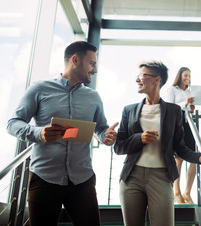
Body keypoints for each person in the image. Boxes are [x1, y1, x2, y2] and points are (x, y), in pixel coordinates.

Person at [6, 41, 118, 226]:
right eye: (92, 63)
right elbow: (12, 123)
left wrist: (106, 135)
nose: (95, 69)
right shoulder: (40, 89)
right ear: (75, 60)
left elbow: (100, 127)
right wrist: (39, 132)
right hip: (44, 178)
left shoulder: (94, 97)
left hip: (82, 179)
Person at [113, 61, 201, 226]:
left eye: (142, 75)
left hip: (161, 177)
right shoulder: (129, 110)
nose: (137, 80)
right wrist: (139, 138)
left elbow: (179, 147)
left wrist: (198, 157)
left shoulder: (174, 111)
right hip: (131, 178)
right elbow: (118, 147)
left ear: (156, 80)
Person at [166, 67, 197, 204]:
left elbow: (190, 110)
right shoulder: (172, 89)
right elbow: (169, 107)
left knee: (194, 158)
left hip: (190, 125)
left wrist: (191, 107)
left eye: (189, 76)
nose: (187, 78)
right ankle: (176, 192)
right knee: (179, 159)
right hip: (177, 125)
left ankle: (187, 192)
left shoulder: (190, 91)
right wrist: (185, 103)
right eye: (185, 75)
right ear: (180, 76)